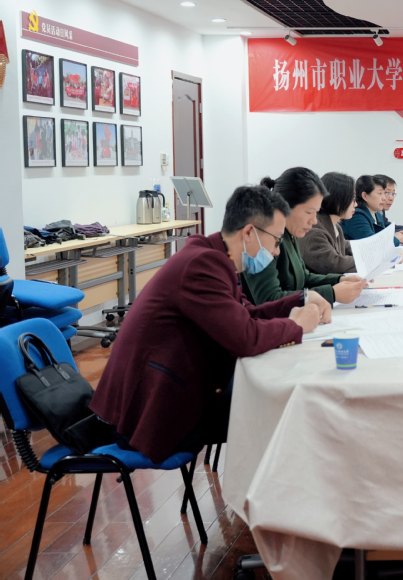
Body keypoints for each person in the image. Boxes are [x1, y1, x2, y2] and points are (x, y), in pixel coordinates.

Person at [90, 185, 326, 463]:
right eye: (276, 240)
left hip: (171, 390)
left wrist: (300, 299)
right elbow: (244, 338)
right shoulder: (202, 265)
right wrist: (296, 326)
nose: (276, 252)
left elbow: (246, 314)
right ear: (249, 232)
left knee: (274, 398)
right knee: (278, 407)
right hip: (149, 415)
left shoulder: (214, 256)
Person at [244, 168, 366, 306]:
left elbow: (303, 278)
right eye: (309, 212)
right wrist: (331, 293)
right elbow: (269, 299)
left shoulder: (291, 232)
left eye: (316, 212)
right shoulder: (261, 238)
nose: (314, 220)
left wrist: (339, 280)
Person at [300, 171, 357, 274]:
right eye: (352, 199)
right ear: (338, 200)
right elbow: (335, 264)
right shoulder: (314, 230)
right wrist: (369, 260)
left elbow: (348, 246)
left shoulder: (335, 227)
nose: (355, 204)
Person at [343, 175, 403, 246]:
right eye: (380, 193)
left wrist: (398, 234)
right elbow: (373, 244)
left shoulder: (377, 214)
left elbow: (381, 235)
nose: (384, 198)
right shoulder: (356, 215)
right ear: (365, 196)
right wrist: (395, 238)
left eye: (384, 193)